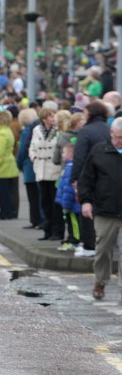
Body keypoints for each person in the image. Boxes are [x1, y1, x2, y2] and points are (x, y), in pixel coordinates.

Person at [77, 118, 122, 301]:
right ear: (111, 134)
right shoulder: (99, 151)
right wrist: (86, 201)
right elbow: (86, 178)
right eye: (118, 137)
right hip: (105, 210)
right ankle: (100, 281)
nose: (121, 141)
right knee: (103, 249)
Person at [29, 107, 63, 241]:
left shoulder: (59, 130)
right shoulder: (36, 130)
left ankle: (57, 232)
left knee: (56, 204)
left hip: (54, 170)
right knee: (45, 203)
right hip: (41, 170)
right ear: (44, 118)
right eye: (50, 116)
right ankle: (47, 231)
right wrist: (34, 158)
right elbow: (31, 147)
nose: (53, 118)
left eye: (54, 115)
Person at [0, 109, 20, 219]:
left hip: (2, 168)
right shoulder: (8, 131)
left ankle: (4, 213)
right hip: (10, 166)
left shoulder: (1, 134)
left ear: (0, 121)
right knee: (11, 192)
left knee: (3, 193)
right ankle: (11, 212)